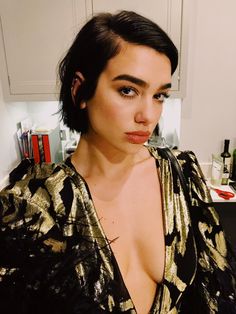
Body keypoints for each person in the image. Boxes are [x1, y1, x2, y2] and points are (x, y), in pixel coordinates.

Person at [0, 10, 235, 314]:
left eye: (159, 96)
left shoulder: (181, 175)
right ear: (80, 90)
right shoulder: (34, 207)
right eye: (128, 90)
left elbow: (218, 288)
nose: (147, 115)